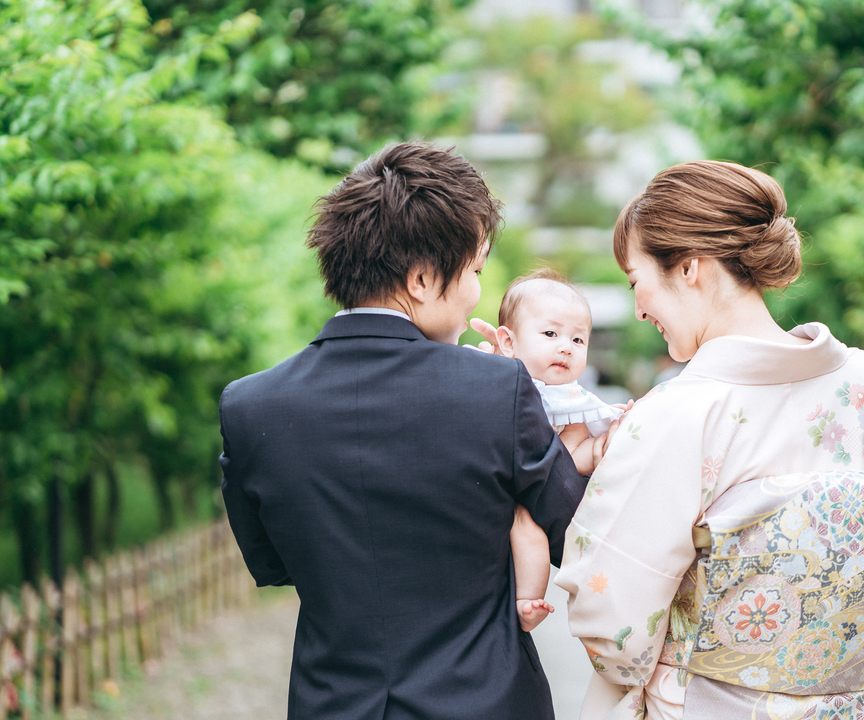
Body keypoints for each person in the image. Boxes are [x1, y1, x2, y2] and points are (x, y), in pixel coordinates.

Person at [219, 142, 589, 720]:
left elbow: (274, 564)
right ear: (420, 278)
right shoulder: (498, 388)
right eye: (473, 271)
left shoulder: (249, 407)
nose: (474, 292)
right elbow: (578, 532)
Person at [554, 160, 864, 720]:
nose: (637, 308)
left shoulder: (679, 414)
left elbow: (618, 629)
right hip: (860, 703)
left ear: (688, 268)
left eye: (637, 282)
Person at [490, 269, 624, 632]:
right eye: (550, 334)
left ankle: (528, 600)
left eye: (578, 340)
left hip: (531, 500)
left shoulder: (575, 404)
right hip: (492, 488)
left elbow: (568, 462)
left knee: (527, 525)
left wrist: (598, 446)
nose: (566, 346)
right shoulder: (496, 379)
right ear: (509, 342)